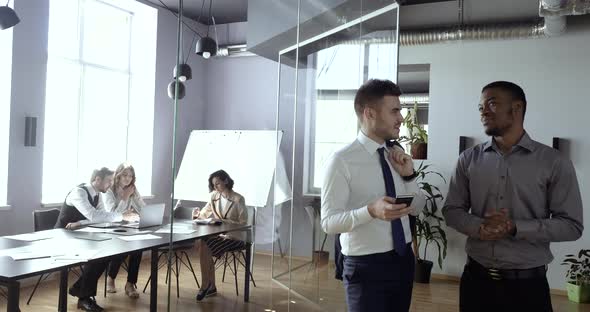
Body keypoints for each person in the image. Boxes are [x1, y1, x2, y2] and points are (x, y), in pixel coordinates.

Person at [442, 81, 584, 312]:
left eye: (492, 104)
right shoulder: (468, 159)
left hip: (528, 289)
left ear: (517, 108)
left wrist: (515, 227)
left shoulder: (554, 162)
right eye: (480, 107)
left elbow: (571, 226)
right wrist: (480, 227)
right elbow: (452, 210)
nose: (484, 112)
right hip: (475, 283)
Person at [321, 79, 426, 312]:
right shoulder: (341, 161)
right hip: (365, 266)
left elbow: (418, 207)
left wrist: (408, 175)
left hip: (403, 261)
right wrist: (370, 211)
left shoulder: (397, 156)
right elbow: (328, 223)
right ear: (370, 113)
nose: (401, 118)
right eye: (395, 111)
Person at [54, 167, 138, 312]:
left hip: (79, 235)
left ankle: (81, 290)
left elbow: (98, 218)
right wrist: (121, 215)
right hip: (62, 237)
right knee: (97, 255)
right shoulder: (78, 192)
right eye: (109, 180)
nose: (111, 184)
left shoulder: (97, 194)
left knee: (105, 253)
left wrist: (81, 223)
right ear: (97, 179)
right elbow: (93, 216)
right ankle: (84, 296)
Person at [190, 169, 248, 302]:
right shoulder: (214, 196)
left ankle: (206, 286)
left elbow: (243, 224)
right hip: (218, 236)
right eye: (213, 185)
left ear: (226, 181)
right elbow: (205, 212)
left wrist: (223, 222)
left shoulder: (238, 199)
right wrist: (197, 215)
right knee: (202, 242)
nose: (215, 187)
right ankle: (209, 286)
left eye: (217, 184)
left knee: (204, 245)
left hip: (234, 237)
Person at [102, 163, 145, 299]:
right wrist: (125, 197)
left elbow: (141, 206)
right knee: (122, 248)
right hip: (111, 228)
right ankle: (110, 278)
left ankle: (130, 283)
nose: (128, 179)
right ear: (118, 175)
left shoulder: (133, 189)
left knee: (138, 249)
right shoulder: (109, 190)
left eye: (131, 176)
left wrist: (147, 213)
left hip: (129, 227)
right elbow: (113, 214)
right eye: (125, 175)